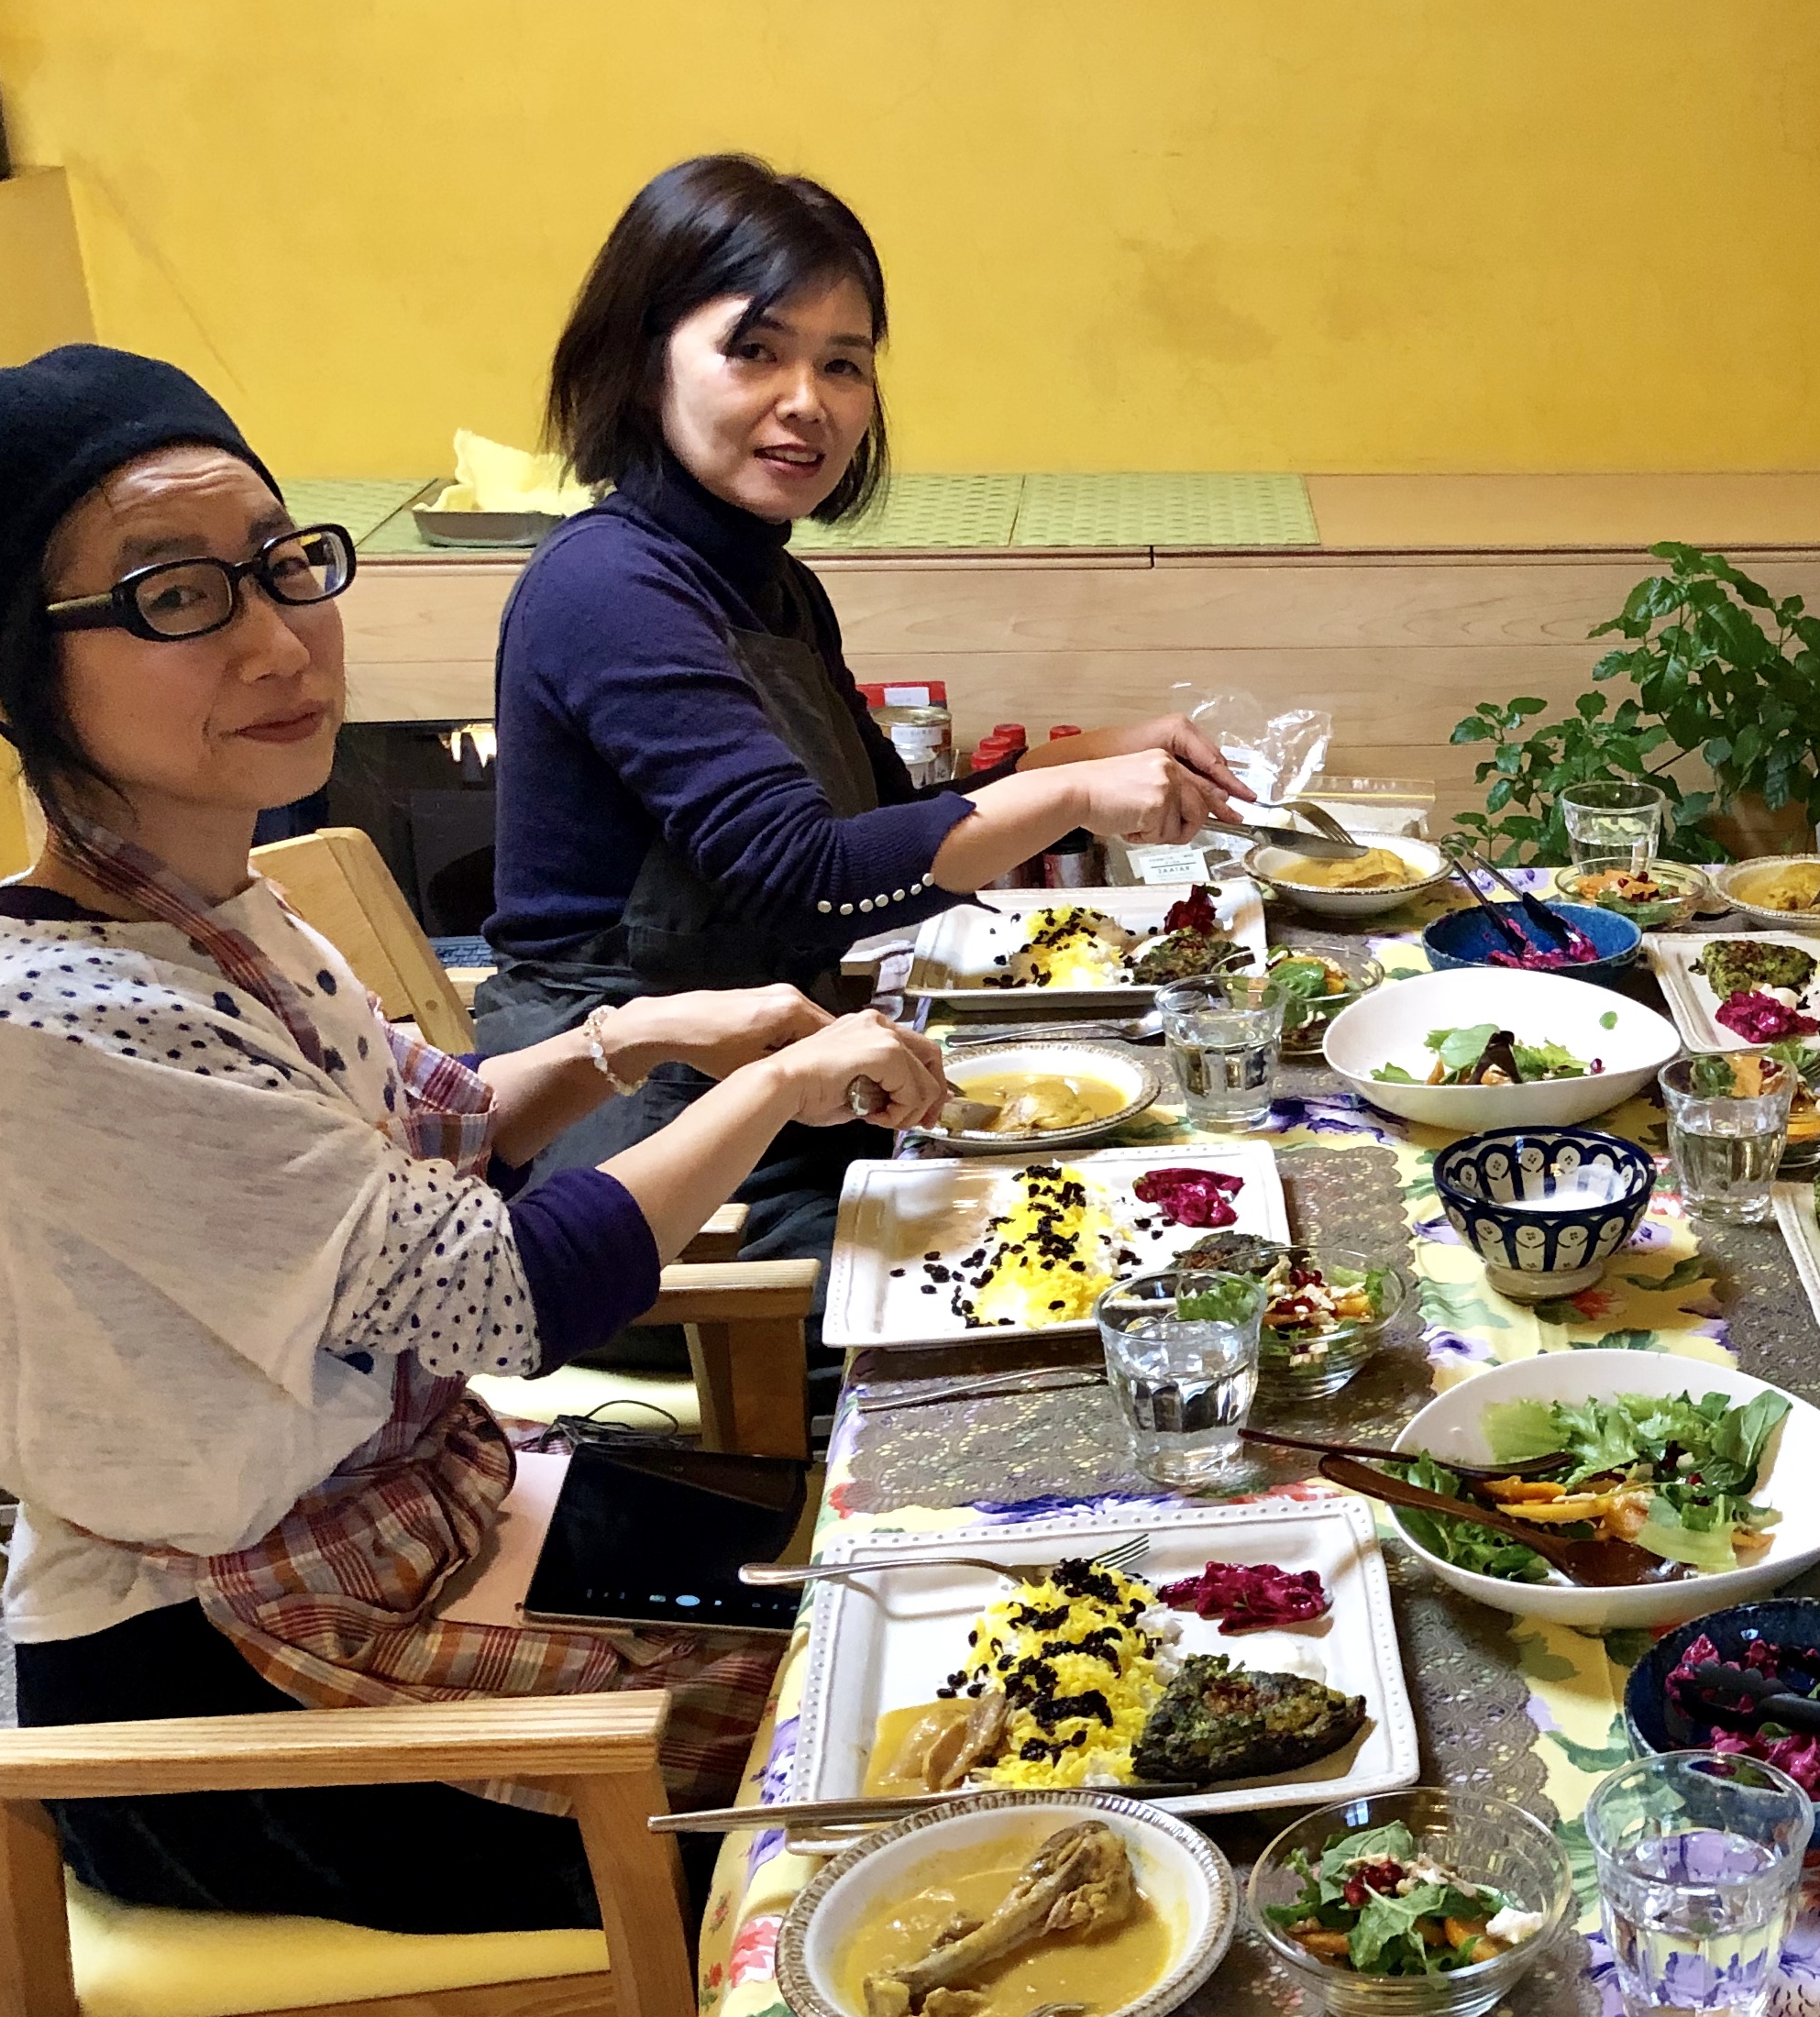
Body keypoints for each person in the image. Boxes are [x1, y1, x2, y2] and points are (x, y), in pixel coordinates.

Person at [0, 342, 953, 1936]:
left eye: (282, 565)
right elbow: (499, 1295)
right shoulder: (53, 1013)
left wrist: (649, 1032)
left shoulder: (211, 912)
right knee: (856, 1807)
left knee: (900, 1605)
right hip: (208, 1693)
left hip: (410, 1514)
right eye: (175, 596)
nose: (277, 638)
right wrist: (773, 1085)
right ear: (13, 671)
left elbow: (438, 1123)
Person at [472, 154, 1242, 1265]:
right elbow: (819, 881)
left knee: (1156, 1185)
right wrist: (1067, 790)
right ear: (643, 364)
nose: (809, 401)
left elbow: (882, 833)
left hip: (790, 1073)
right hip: (640, 1136)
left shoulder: (767, 580)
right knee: (1101, 1267)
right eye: (756, 351)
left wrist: (1079, 758)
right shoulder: (609, 588)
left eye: (844, 363)